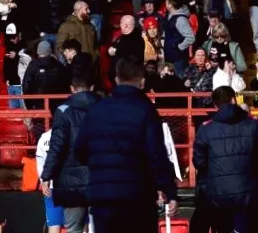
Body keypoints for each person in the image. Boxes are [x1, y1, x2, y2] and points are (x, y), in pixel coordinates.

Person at [71, 55, 178, 233]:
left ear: (116, 79)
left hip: (102, 196)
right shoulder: (146, 111)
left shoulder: (96, 111)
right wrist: (170, 191)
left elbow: (80, 150)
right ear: (142, 82)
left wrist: (100, 164)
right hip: (137, 196)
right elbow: (157, 156)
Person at [192, 84, 258, 233]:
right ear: (234, 99)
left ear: (215, 104)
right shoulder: (253, 123)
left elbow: (199, 161)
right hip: (249, 190)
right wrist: (255, 159)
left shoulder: (206, 128)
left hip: (217, 192)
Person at [40, 54, 101, 233]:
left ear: (71, 88)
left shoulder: (62, 111)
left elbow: (57, 146)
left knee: (74, 228)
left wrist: (46, 176)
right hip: (101, 179)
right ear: (92, 87)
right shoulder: (105, 107)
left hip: (71, 183)